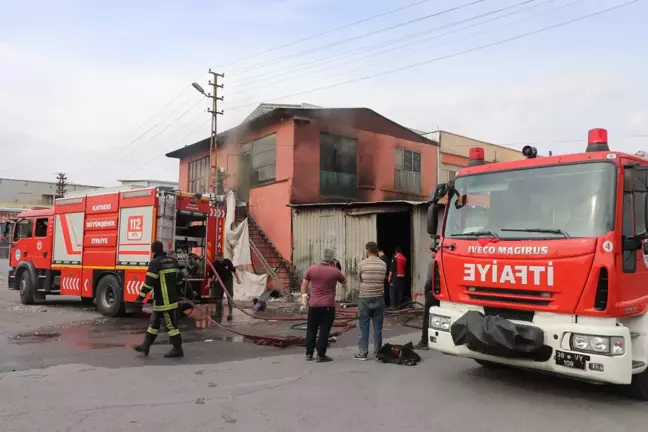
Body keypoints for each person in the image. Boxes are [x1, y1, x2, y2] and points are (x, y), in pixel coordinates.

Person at [133, 241, 184, 358]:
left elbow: (148, 283)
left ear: (153, 251)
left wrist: (140, 297)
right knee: (154, 324)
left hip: (163, 301)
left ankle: (178, 349)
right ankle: (145, 347)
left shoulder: (155, 263)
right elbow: (180, 279)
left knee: (171, 326)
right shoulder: (173, 261)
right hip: (171, 299)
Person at [300, 249, 347, 362]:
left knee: (311, 330)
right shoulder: (335, 271)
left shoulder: (312, 269)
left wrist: (304, 297)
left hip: (314, 305)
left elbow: (304, 284)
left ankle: (309, 353)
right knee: (324, 330)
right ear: (332, 258)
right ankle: (321, 355)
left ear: (321, 257)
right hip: (328, 306)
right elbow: (345, 282)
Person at [354, 241, 387, 360]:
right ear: (377, 251)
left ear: (367, 250)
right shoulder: (383, 264)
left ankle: (363, 353)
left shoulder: (362, 264)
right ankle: (378, 353)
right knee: (378, 327)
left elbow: (360, 279)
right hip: (379, 296)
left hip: (365, 297)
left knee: (364, 325)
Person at [415, 247, 440, 350]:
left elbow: (429, 279)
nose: (429, 253)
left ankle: (424, 341)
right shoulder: (444, 261)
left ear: (434, 252)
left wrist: (426, 289)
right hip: (441, 293)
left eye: (430, 251)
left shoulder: (433, 262)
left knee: (427, 317)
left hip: (432, 292)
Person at [210, 252, 241, 321]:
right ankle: (218, 312)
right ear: (216, 257)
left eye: (222, 258)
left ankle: (230, 313)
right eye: (219, 258)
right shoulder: (214, 264)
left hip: (228, 281)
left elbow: (234, 270)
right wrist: (208, 283)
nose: (221, 260)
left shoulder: (228, 262)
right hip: (219, 282)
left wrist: (238, 279)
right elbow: (211, 275)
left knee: (229, 297)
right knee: (218, 298)